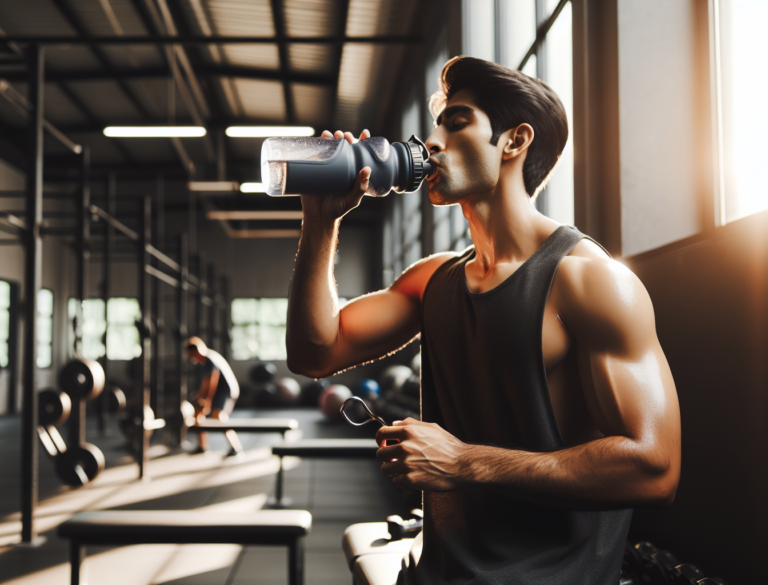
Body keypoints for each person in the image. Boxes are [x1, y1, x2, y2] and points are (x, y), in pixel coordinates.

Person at [286, 56, 681, 584]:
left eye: (456, 122)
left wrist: (465, 461)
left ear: (514, 141)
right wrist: (320, 223)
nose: (430, 141)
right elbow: (315, 352)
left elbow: (655, 468)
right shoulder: (433, 281)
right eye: (435, 125)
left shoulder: (590, 281)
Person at [185, 336, 243, 455]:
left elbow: (212, 381)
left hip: (225, 390)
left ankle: (235, 447)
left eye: (192, 354)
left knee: (218, 416)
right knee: (198, 414)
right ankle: (202, 446)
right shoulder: (204, 360)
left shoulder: (208, 359)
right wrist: (200, 396)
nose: (192, 358)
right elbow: (206, 382)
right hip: (219, 390)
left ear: (196, 351)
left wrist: (207, 400)